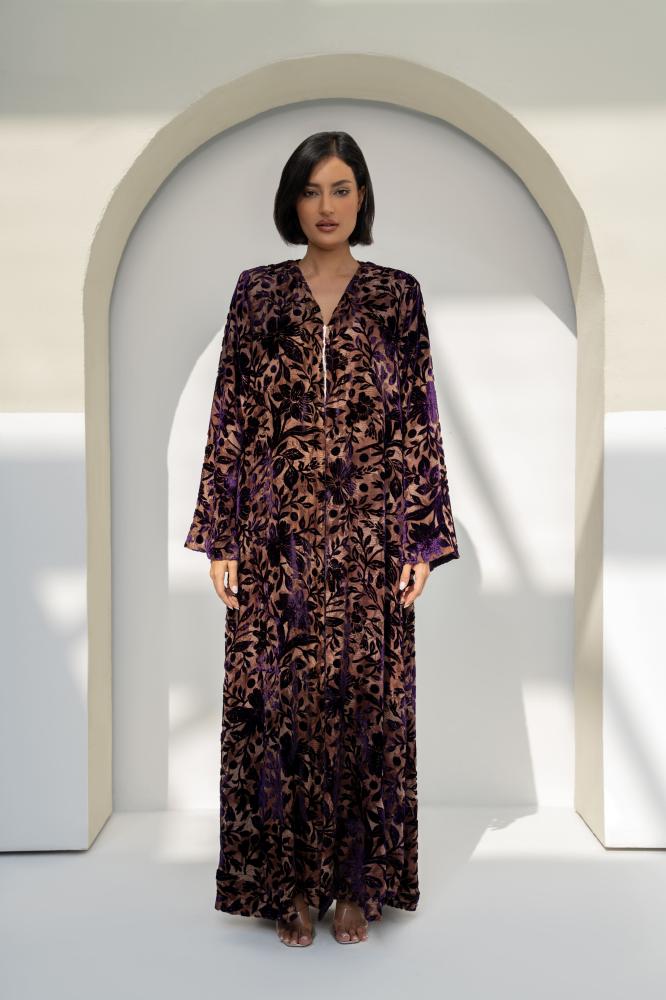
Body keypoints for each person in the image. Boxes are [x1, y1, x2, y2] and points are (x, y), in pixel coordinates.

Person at [184, 131, 460, 947]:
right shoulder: (257, 293)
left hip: (370, 540)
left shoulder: (398, 296)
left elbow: (418, 420)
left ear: (362, 197)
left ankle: (355, 885)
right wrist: (222, 535)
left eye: (341, 189)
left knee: (362, 709)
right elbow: (230, 412)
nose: (327, 206)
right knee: (281, 710)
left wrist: (420, 541)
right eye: (311, 191)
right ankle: (290, 886)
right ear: (292, 201)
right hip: (274, 539)